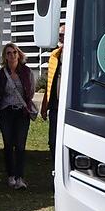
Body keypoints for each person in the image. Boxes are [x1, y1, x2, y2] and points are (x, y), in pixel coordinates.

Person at [0, 42, 36, 190]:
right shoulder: (1, 74)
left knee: (20, 145)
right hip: (6, 111)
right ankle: (10, 176)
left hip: (21, 112)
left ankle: (20, 177)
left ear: (19, 54)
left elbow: (30, 91)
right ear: (5, 57)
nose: (12, 56)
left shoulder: (26, 72)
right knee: (8, 144)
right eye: (8, 53)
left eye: (14, 53)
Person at [40, 24, 64, 162]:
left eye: (63, 35)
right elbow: (50, 83)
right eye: (59, 35)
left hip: (69, 107)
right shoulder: (54, 56)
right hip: (55, 107)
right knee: (53, 141)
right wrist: (44, 107)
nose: (60, 38)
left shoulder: (76, 55)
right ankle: (56, 169)